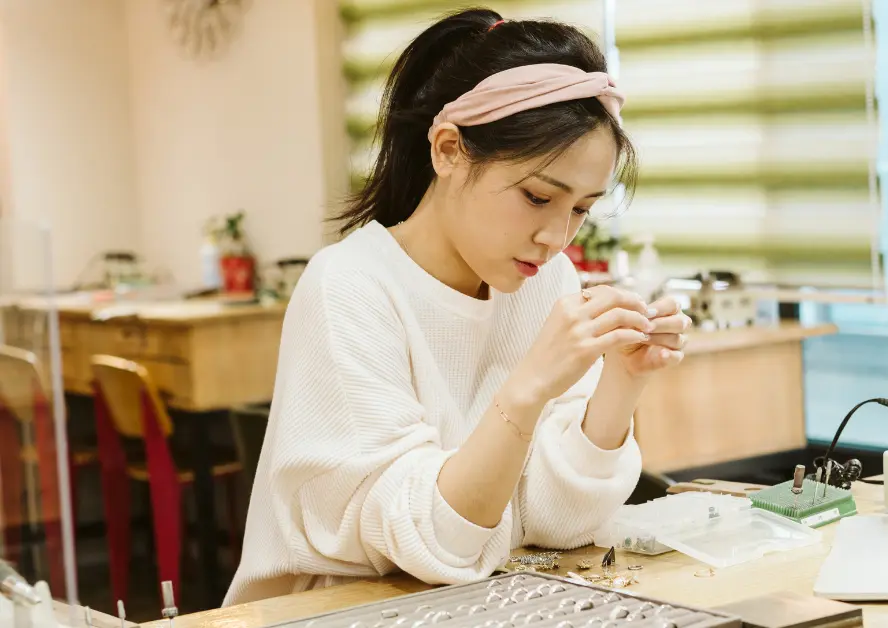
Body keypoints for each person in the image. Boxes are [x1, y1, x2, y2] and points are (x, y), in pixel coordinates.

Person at [224, 8, 690, 605]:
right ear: (448, 150)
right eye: (538, 196)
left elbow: (557, 523)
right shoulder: (350, 285)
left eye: (580, 209)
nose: (556, 237)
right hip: (342, 608)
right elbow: (436, 546)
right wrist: (523, 395)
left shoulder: (546, 279)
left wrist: (621, 384)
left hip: (480, 599)